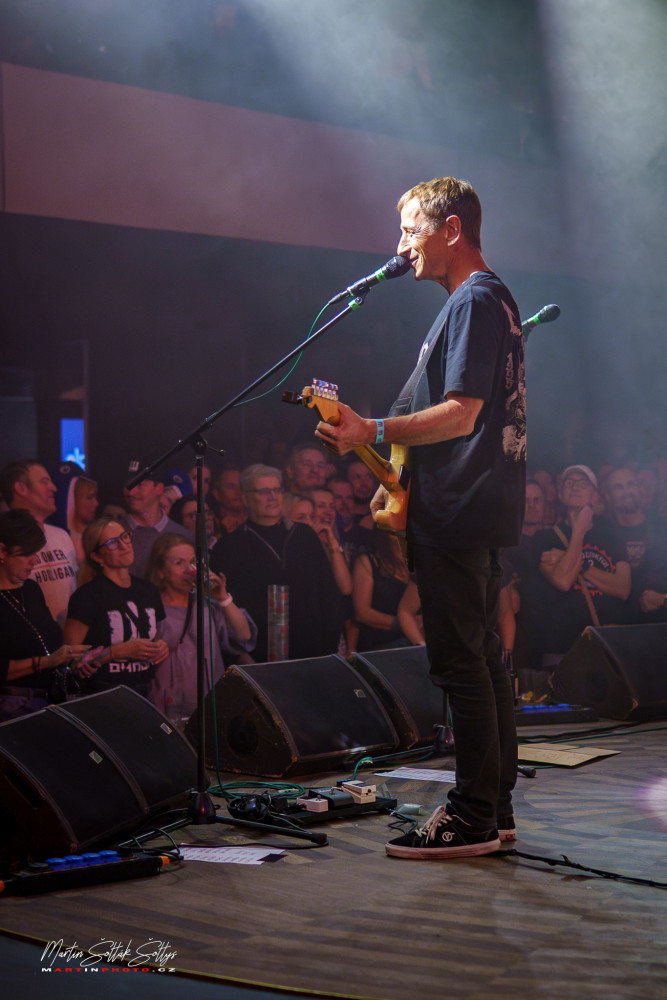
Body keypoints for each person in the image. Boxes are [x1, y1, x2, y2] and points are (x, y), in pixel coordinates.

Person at [315, 176, 526, 859]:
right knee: (482, 661)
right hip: (476, 505)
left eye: (411, 229)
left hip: (460, 508)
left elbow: (461, 414)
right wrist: (373, 443)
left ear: (451, 230)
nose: (401, 245)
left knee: (463, 665)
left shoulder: (474, 300)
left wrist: (371, 428)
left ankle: (470, 815)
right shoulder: (487, 300)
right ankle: (493, 810)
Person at [210, 464, 344, 663]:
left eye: (277, 490)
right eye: (264, 491)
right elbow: (222, 613)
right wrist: (242, 657)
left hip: (313, 653)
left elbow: (328, 593)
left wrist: (329, 648)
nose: (272, 496)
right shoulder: (229, 547)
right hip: (259, 658)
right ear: (245, 498)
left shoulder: (304, 535)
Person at [145, 533, 257, 721]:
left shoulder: (206, 606)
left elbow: (244, 635)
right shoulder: (151, 608)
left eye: (192, 562)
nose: (188, 570)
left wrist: (222, 598)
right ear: (160, 571)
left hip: (208, 704)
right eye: (178, 563)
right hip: (166, 706)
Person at [0, 509, 97, 721]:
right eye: (26, 553)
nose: (34, 561)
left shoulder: (31, 590)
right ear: (2, 551)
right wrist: (47, 661)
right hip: (13, 709)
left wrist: (74, 661)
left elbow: (48, 644)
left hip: (48, 701)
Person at [530, 464, 631, 661]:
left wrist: (577, 564)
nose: (576, 487)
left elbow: (623, 588)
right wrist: (578, 531)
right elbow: (563, 581)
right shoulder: (545, 538)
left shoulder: (612, 534)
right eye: (569, 483)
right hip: (562, 648)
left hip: (605, 646)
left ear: (595, 496)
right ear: (560, 494)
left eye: (583, 483)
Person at [63, 516, 169, 699]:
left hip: (144, 692)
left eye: (125, 537)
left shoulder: (148, 589)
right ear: (97, 556)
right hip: (102, 695)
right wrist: (117, 652)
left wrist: (161, 647)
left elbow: (156, 636)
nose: (123, 545)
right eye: (112, 543)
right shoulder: (88, 595)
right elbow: (70, 661)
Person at [0, 459, 78, 625]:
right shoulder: (5, 539)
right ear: (21, 488)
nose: (54, 488)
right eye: (44, 482)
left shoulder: (62, 536)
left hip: (67, 637)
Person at [122, 464, 193, 577]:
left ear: (159, 488)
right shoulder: (113, 535)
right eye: (129, 485)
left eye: (140, 485)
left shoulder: (184, 536)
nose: (131, 492)